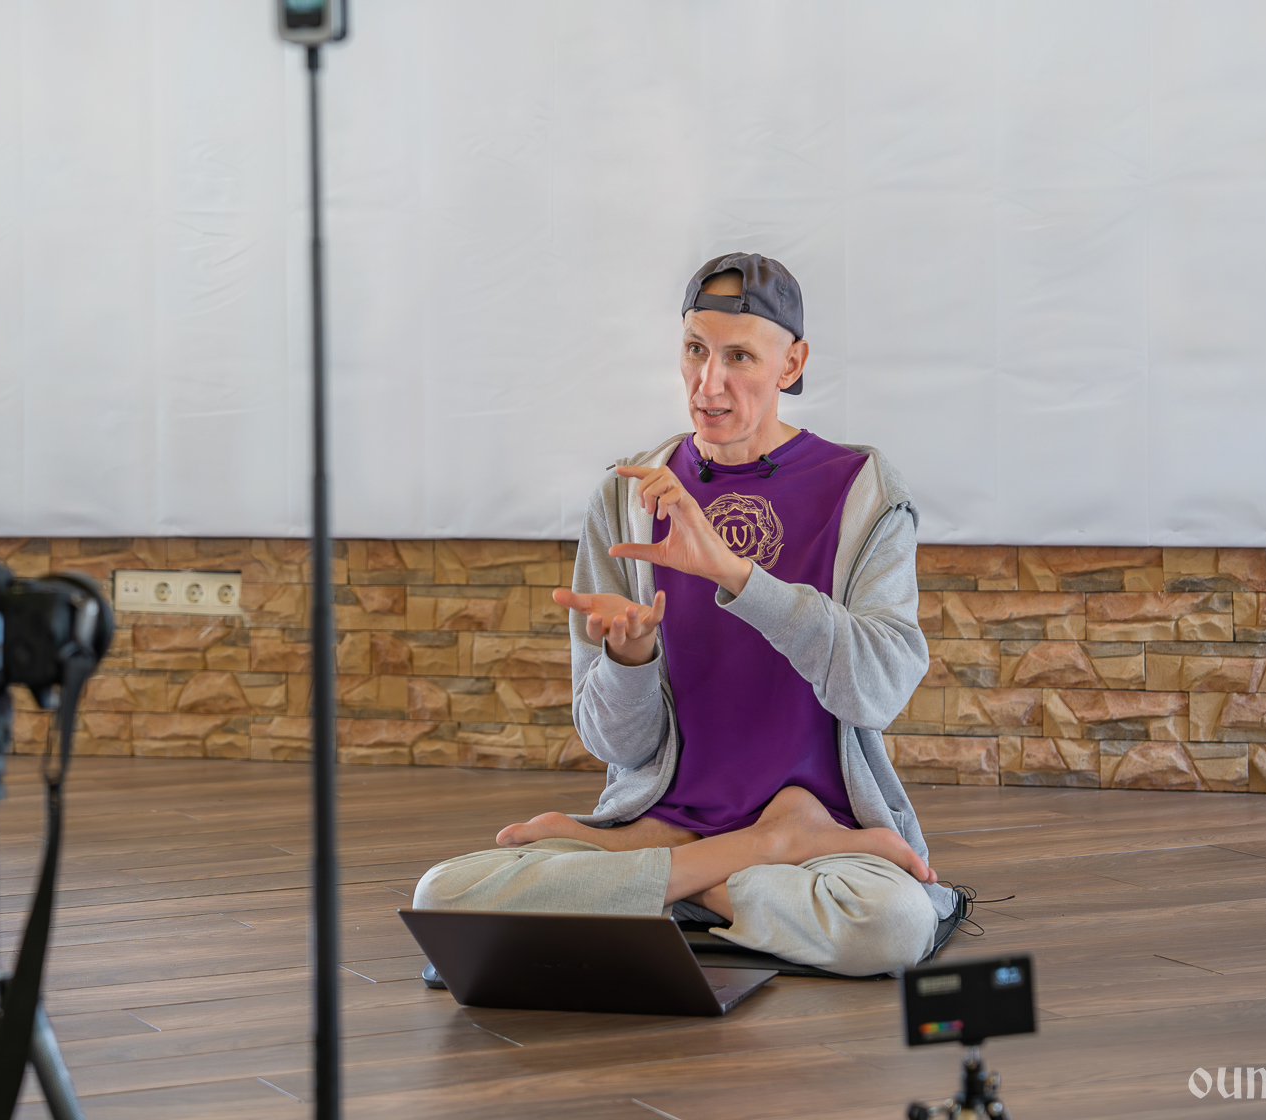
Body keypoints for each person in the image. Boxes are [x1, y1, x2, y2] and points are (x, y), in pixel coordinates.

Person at [412, 253, 964, 977]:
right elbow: (615, 743)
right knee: (442, 897)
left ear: (793, 363)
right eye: (696, 350)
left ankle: (652, 881)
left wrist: (740, 577)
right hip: (671, 823)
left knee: (891, 924)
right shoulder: (627, 498)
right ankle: (754, 853)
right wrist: (629, 658)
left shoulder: (862, 491)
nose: (709, 384)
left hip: (828, 827)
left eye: (740, 356)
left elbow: (879, 690)